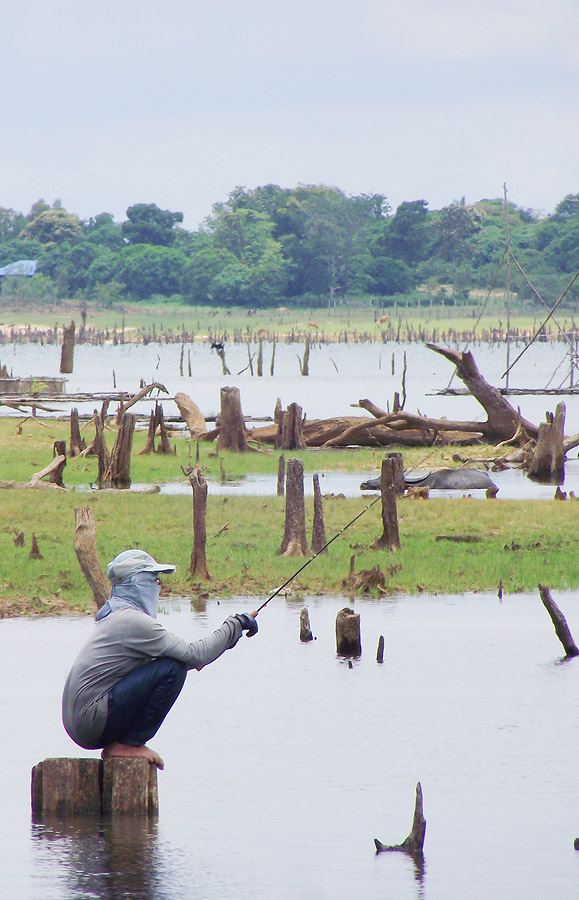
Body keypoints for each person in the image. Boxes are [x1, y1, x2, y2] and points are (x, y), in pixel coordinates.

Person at [62, 548, 258, 769]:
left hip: (85, 723)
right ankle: (129, 744)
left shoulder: (117, 616)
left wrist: (230, 635)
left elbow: (188, 659)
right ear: (137, 583)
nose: (159, 586)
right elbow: (195, 655)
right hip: (91, 722)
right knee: (173, 668)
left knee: (173, 665)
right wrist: (235, 625)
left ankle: (125, 743)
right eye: (154, 580)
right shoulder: (132, 621)